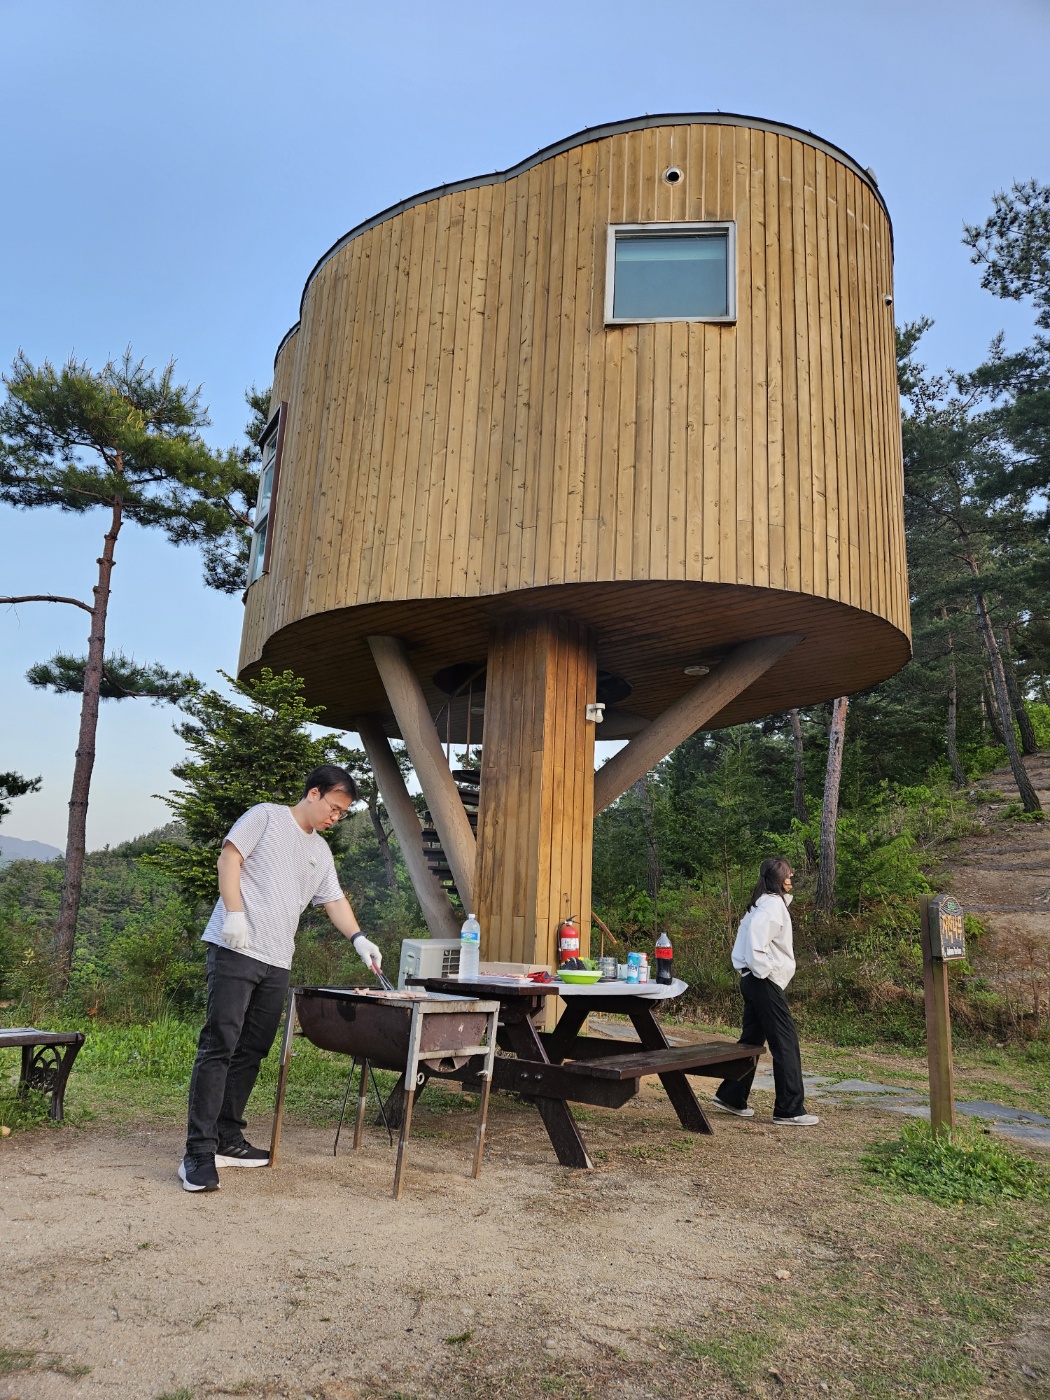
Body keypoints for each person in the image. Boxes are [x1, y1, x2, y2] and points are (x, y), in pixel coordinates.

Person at [179, 765, 384, 1191]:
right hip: (235, 948)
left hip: (277, 959)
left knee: (253, 1048)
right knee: (220, 1043)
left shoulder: (321, 852)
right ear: (313, 793)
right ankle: (197, 1152)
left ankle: (227, 1137)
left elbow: (334, 900)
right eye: (334, 808)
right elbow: (229, 858)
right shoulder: (266, 816)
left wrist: (359, 938)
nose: (335, 817)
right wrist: (233, 912)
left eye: (342, 813)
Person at [712, 857, 818, 1127]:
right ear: (779, 878)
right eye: (788, 873)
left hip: (754, 980)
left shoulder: (763, 904)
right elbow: (755, 947)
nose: (792, 876)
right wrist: (765, 973)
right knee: (785, 1042)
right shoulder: (771, 906)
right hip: (762, 981)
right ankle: (789, 1109)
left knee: (751, 1040)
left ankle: (732, 1096)